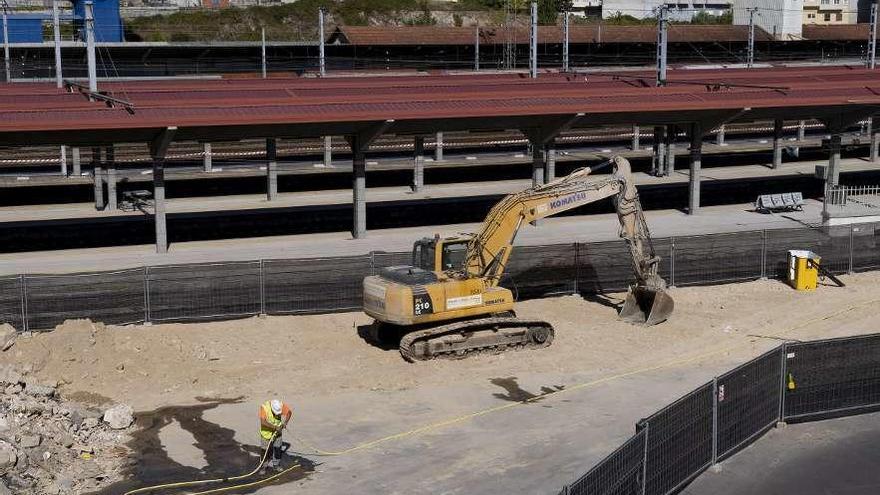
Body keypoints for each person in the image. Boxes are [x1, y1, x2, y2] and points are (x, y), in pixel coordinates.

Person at [259, 399, 292, 470]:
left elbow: (289, 412)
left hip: (277, 432)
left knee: (277, 448)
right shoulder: (264, 407)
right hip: (266, 433)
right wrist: (275, 427)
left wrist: (285, 423)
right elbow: (262, 421)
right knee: (264, 451)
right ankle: (263, 466)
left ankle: (276, 465)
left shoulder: (280, 405)